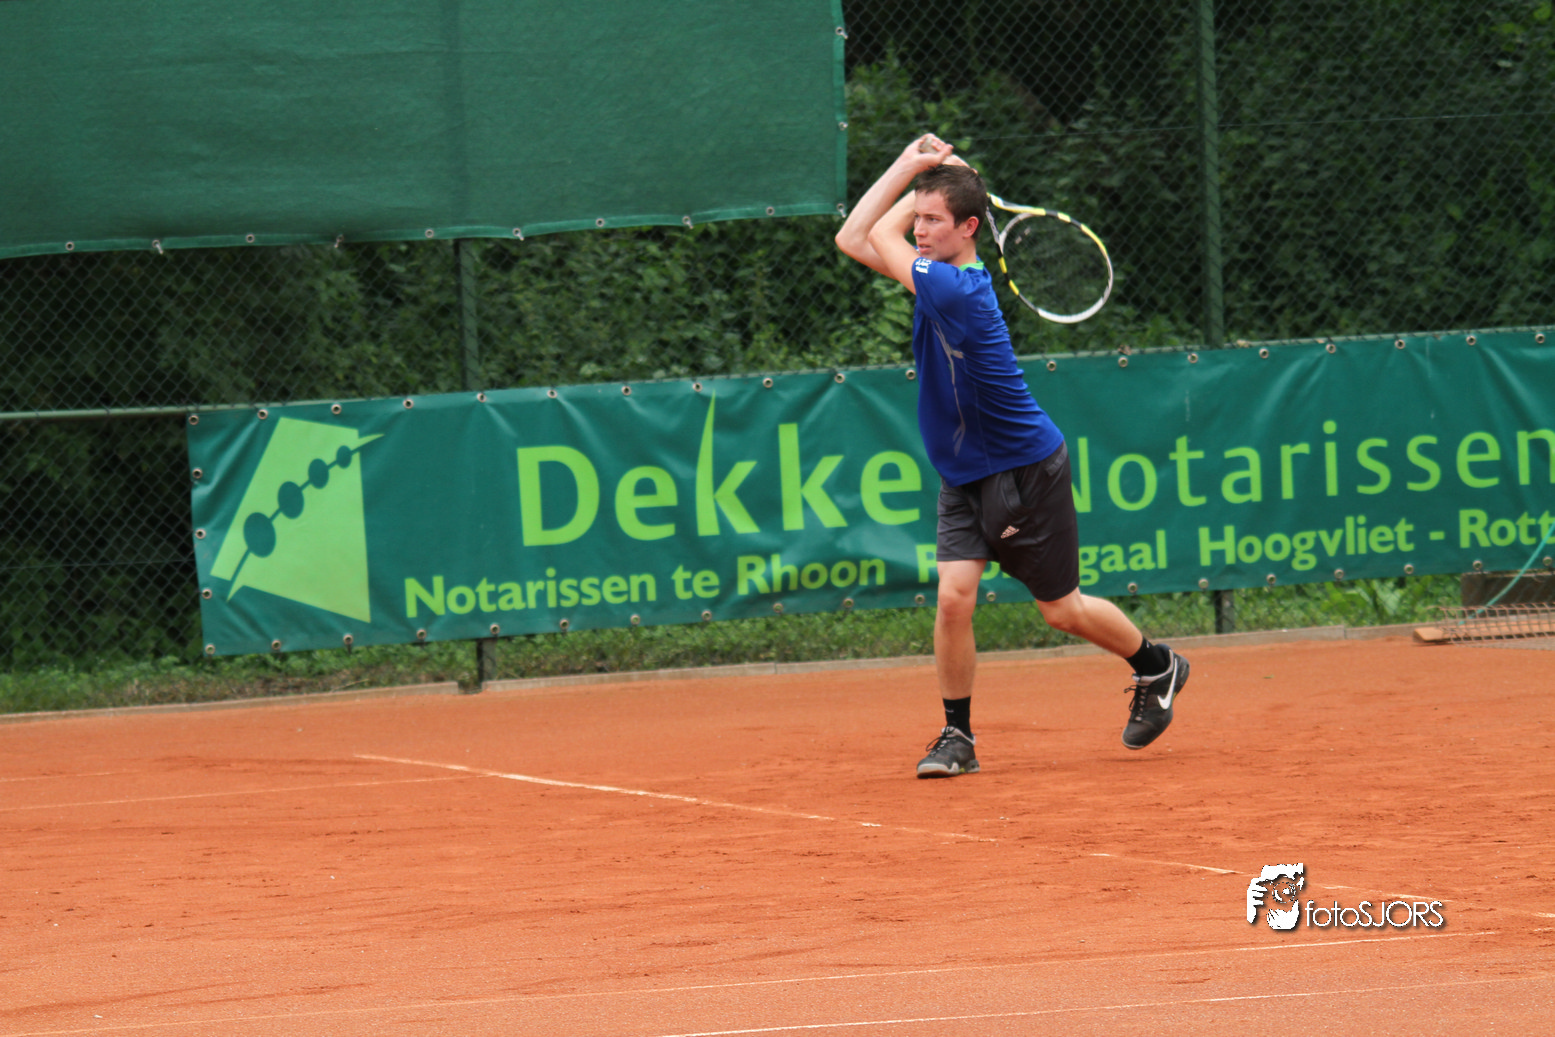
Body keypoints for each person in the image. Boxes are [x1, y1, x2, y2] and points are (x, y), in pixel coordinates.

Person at [834, 134, 1189, 777]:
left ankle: (1157, 664)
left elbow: (874, 234)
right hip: (962, 472)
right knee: (953, 598)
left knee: (1061, 610)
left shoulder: (957, 291)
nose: (918, 231)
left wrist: (918, 169)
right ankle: (957, 737)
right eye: (918, 220)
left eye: (932, 220)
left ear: (969, 228)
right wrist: (919, 173)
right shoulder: (934, 277)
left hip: (1023, 469)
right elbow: (853, 237)